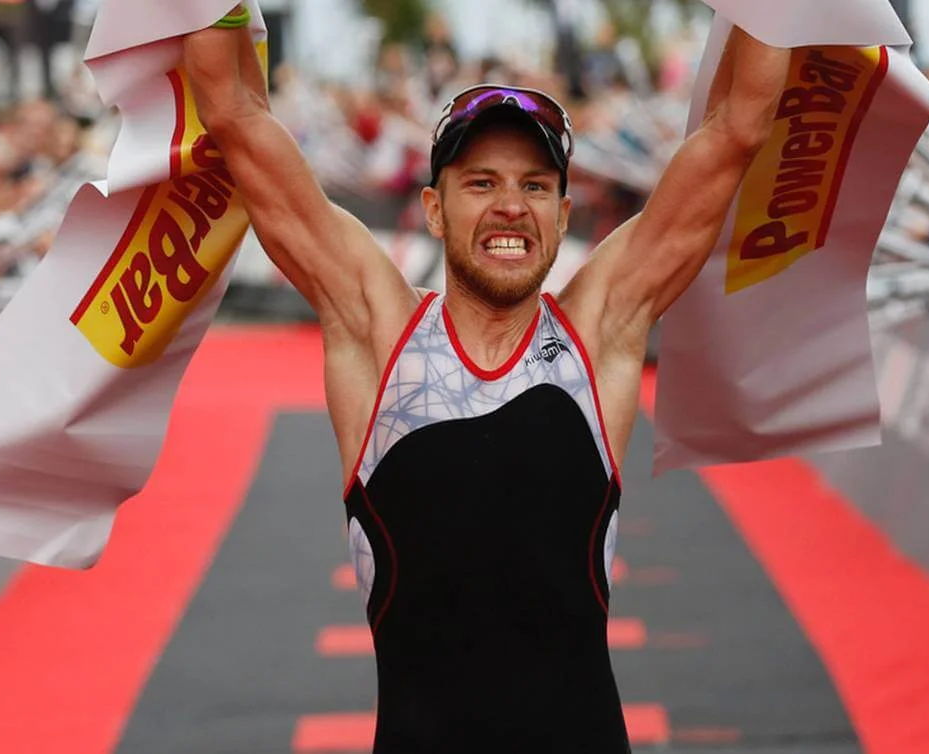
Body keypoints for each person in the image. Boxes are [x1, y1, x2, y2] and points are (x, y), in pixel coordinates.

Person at [180, 7, 787, 751]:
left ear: (564, 217)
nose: (510, 205)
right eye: (481, 183)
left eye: (536, 186)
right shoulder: (381, 335)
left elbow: (737, 129)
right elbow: (236, 116)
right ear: (433, 209)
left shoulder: (598, 333)